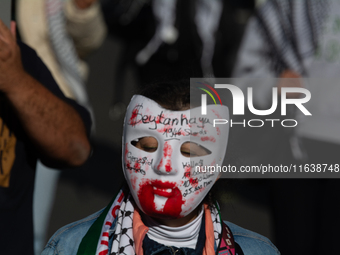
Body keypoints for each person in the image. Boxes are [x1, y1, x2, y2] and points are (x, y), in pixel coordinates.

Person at [41, 81, 279, 254]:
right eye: (147, 146)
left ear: (218, 169)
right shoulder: (69, 247)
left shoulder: (256, 252)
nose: (164, 166)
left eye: (188, 152)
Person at [233, 0, 340, 254]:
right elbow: (244, 77)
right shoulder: (285, 6)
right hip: (293, 149)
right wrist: (274, 86)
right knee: (294, 244)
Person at [0, 19, 91, 255]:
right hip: (162, 66)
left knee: (198, 172)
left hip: (198, 78)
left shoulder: (16, 59)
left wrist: (14, 79)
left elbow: (77, 148)